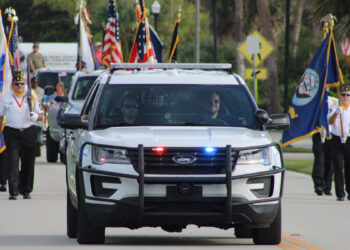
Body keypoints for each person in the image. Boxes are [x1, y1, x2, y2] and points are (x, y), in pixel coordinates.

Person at [0, 70, 43, 200]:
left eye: (21, 84)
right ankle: (13, 191)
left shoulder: (31, 96)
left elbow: (41, 115)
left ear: (25, 84)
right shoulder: (6, 97)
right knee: (13, 161)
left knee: (28, 162)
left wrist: (35, 116)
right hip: (11, 132)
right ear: (12, 85)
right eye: (16, 84)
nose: (19, 86)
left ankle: (26, 189)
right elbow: (1, 116)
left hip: (28, 131)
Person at [328, 85, 350, 201]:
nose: (345, 97)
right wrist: (336, 112)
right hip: (337, 140)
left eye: (348, 95)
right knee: (338, 166)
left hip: (349, 140)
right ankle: (340, 193)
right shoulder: (335, 108)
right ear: (340, 96)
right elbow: (330, 121)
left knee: (349, 167)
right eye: (343, 95)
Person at [31, 77, 44, 157]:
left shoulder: (41, 91)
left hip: (38, 113)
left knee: (39, 130)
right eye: (33, 82)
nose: (35, 83)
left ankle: (38, 145)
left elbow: (43, 102)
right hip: (30, 114)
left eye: (36, 82)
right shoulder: (28, 91)